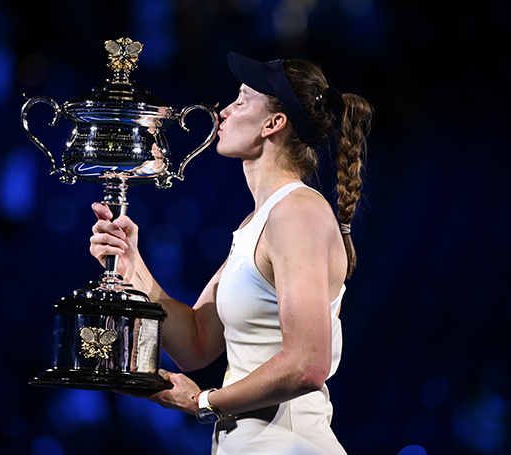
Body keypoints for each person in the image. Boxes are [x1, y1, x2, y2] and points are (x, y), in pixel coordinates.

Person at [89, 52, 373, 454]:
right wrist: (133, 267)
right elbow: (196, 342)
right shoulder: (259, 221)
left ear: (273, 124)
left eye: (241, 100)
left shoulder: (298, 213)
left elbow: (308, 364)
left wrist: (203, 402)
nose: (223, 111)